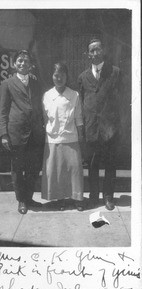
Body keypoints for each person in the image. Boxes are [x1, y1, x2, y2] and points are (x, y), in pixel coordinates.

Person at [0, 50, 44, 214]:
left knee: (33, 168)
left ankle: (30, 198)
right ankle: (22, 200)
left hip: (35, 133)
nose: (23, 64)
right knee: (17, 169)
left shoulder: (35, 82)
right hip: (16, 133)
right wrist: (4, 134)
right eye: (19, 61)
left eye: (26, 61)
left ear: (31, 65)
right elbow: (3, 111)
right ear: (14, 63)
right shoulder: (7, 83)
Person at [78, 38, 121, 210]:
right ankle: (94, 196)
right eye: (92, 50)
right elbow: (82, 102)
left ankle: (108, 197)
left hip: (109, 129)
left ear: (103, 50)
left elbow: (121, 101)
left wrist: (116, 125)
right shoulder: (82, 77)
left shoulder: (115, 72)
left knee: (110, 164)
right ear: (88, 55)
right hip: (92, 128)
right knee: (93, 164)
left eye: (98, 49)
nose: (95, 53)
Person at [42, 62, 85, 211]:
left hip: (71, 138)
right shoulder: (47, 96)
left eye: (62, 75)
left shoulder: (74, 95)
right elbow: (45, 119)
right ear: (52, 76)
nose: (59, 78)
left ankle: (77, 199)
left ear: (67, 76)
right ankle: (60, 199)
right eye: (56, 75)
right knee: (57, 171)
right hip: (53, 140)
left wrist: (81, 137)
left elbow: (79, 118)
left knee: (74, 169)